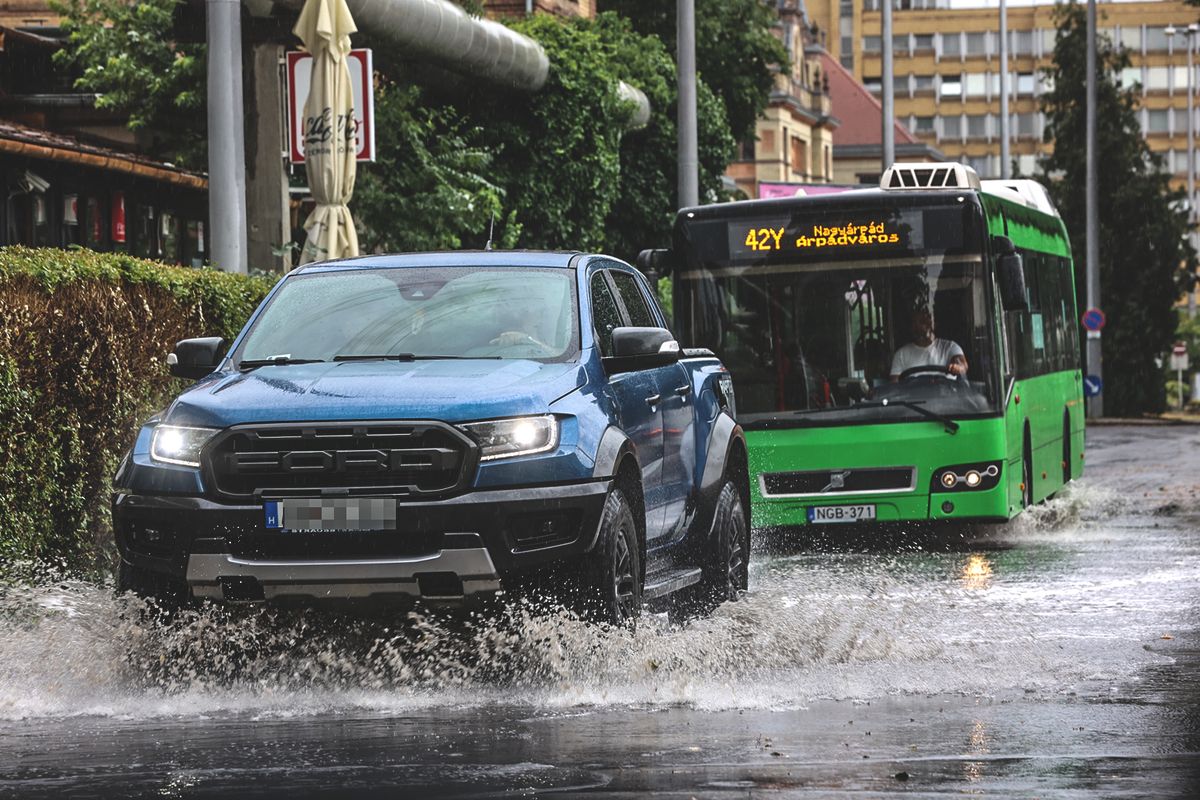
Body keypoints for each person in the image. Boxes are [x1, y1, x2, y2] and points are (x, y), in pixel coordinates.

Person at [889, 307, 968, 382]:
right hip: (914, 396)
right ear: (911, 327)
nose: (920, 327)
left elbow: (962, 364)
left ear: (933, 324)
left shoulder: (950, 347)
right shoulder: (901, 355)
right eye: (915, 323)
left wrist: (958, 367)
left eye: (923, 322)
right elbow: (894, 387)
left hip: (947, 395)